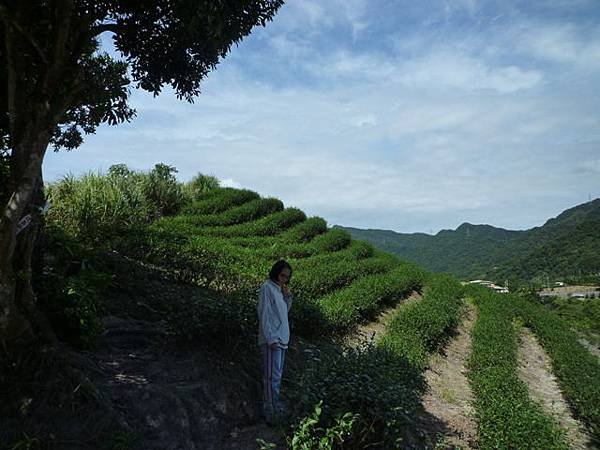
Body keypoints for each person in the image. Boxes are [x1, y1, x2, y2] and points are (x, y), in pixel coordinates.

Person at [258, 259, 293, 424]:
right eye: (282, 275)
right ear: (275, 272)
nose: (284, 279)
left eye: (287, 277)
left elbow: (283, 313)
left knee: (277, 376)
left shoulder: (279, 290)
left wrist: (287, 298)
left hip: (282, 338)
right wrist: (270, 337)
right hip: (272, 339)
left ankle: (275, 407)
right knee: (271, 377)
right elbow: (264, 313)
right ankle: (270, 412)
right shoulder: (267, 287)